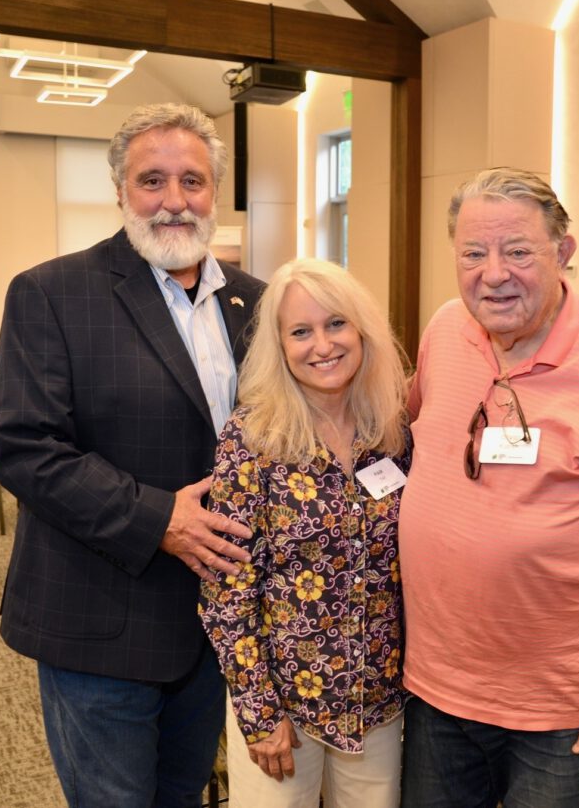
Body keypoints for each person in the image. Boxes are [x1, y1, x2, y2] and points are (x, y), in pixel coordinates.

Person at [0, 103, 264, 808]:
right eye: (152, 180)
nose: (174, 201)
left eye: (193, 182)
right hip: (100, 620)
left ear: (215, 193)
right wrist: (159, 520)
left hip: (212, 626)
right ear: (120, 192)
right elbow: (26, 449)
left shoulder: (256, 302)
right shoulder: (51, 293)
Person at [398, 167, 579, 808]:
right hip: (434, 689)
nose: (493, 274)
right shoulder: (446, 330)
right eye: (473, 253)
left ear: (564, 253)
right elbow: (406, 433)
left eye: (518, 252)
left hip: (563, 708)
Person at [199, 258, 411, 808]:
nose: (322, 344)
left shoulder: (392, 431)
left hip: (378, 700)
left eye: (336, 323)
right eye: (301, 331)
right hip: (285, 703)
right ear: (279, 344)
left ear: (363, 330)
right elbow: (226, 591)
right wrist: (258, 710)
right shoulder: (251, 439)